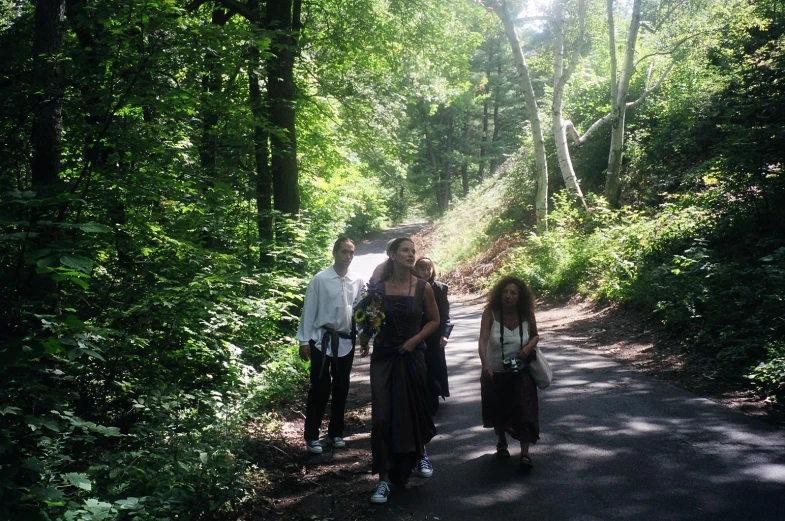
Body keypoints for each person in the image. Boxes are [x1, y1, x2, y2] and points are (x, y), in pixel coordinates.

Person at [357, 237, 439, 504]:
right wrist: (366, 337)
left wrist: (415, 340)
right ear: (392, 254)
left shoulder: (423, 287)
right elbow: (367, 318)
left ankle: (421, 453)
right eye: (405, 250)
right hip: (385, 358)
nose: (411, 254)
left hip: (413, 356)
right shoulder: (378, 288)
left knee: (415, 407)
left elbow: (435, 321)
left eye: (413, 251)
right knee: (382, 416)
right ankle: (383, 479)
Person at [296, 237, 365, 454]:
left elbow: (360, 311)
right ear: (334, 252)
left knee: (341, 388)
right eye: (344, 252)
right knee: (319, 388)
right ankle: (312, 436)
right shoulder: (320, 279)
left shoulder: (357, 280)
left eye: (351, 253)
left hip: (345, 341)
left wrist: (363, 335)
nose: (348, 257)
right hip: (320, 340)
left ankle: (336, 432)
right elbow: (309, 310)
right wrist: (304, 341)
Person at [477, 275, 541, 471]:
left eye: (513, 292)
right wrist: (485, 363)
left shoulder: (527, 314)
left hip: (520, 371)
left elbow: (536, 335)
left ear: (520, 296)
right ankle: (502, 443)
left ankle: (525, 454)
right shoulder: (491, 313)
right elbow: (482, 340)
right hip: (495, 371)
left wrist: (528, 347)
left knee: (525, 410)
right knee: (498, 409)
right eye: (505, 291)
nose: (508, 295)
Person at [413, 257, 451, 415]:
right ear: (416, 270)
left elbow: (444, 314)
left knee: (435, 364)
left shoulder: (441, 288)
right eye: (422, 269)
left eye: (429, 268)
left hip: (435, 335)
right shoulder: (410, 287)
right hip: (416, 333)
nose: (426, 272)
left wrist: (445, 334)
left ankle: (435, 394)